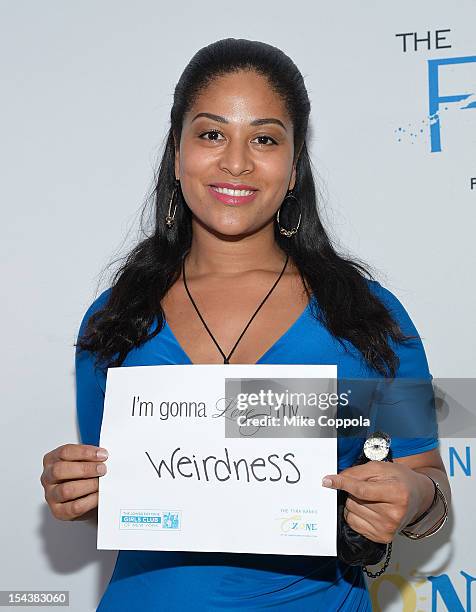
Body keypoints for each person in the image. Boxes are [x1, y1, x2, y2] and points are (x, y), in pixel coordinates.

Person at [40, 38, 451, 611]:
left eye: (264, 138)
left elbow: (431, 485)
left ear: (294, 163)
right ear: (177, 153)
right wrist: (79, 492)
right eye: (211, 134)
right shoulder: (114, 320)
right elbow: (121, 501)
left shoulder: (371, 317)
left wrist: (411, 495)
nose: (236, 162)